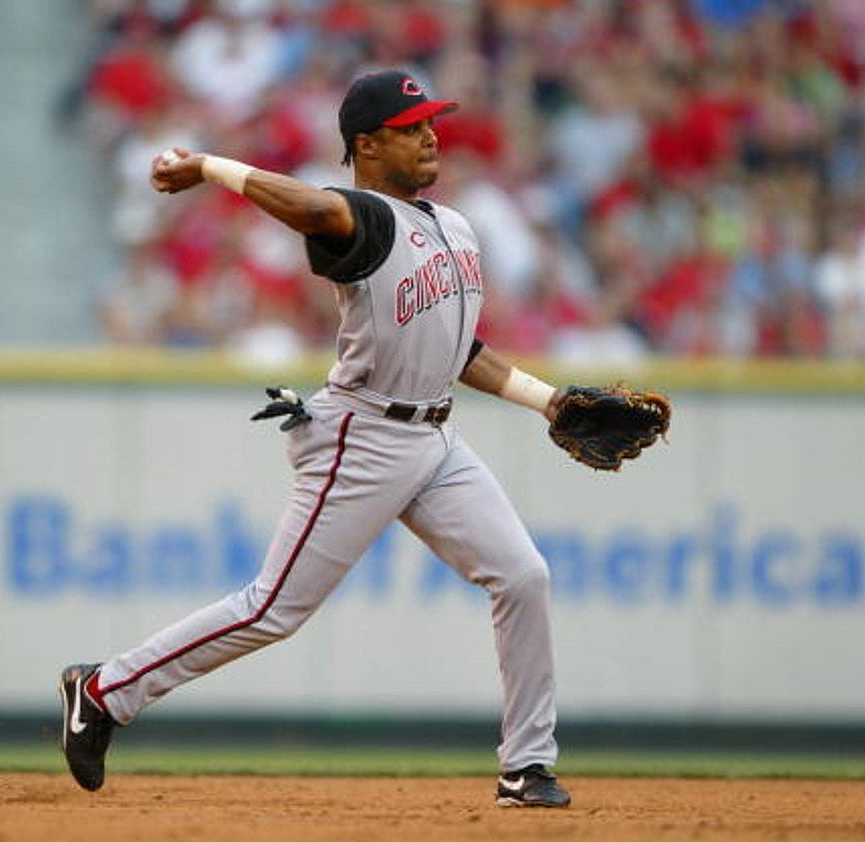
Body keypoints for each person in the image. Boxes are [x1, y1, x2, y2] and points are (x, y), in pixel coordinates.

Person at [59, 69, 571, 809]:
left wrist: (547, 401)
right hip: (360, 437)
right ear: (365, 144)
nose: (431, 134)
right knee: (273, 609)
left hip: (433, 436)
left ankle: (525, 767)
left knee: (523, 576)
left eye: (431, 121)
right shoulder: (356, 216)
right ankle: (103, 689)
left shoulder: (453, 226)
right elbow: (310, 206)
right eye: (411, 126)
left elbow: (457, 348)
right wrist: (208, 166)